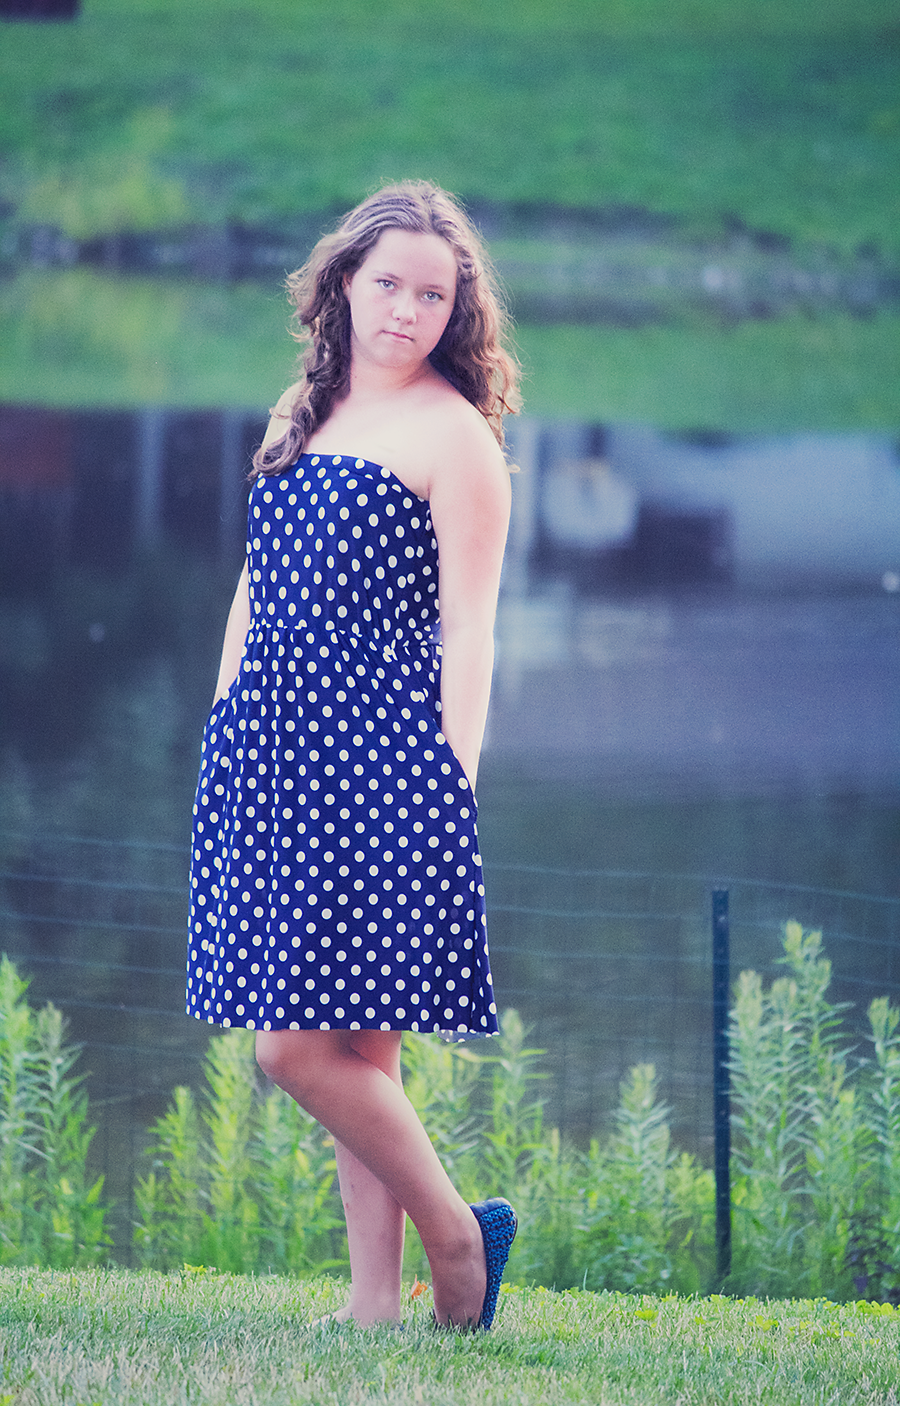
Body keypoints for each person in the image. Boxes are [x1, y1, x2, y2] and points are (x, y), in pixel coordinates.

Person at [186, 181, 521, 1329]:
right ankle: (375, 1303)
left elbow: (471, 629)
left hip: (380, 764)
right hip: (274, 750)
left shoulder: (456, 436)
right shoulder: (303, 406)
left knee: (291, 1047)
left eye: (433, 295)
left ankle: (457, 1238)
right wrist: (225, 716)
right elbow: (257, 577)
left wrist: (452, 783)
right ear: (342, 281)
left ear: (456, 310)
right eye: (388, 284)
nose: (407, 310)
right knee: (356, 1046)